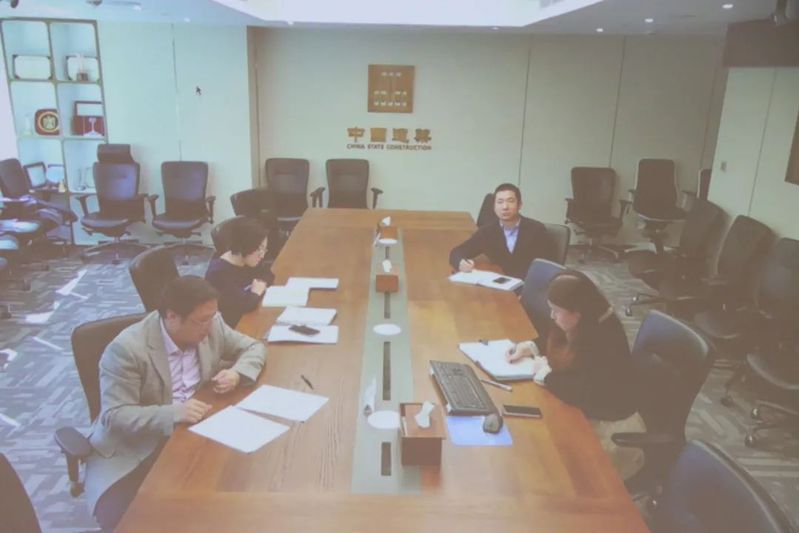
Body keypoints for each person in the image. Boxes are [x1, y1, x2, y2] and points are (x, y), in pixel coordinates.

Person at [84, 276, 267, 530]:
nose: (209, 327)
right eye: (202, 320)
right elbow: (114, 415)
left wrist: (237, 373)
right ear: (171, 316)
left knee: (229, 499)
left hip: (194, 431)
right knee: (142, 522)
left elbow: (254, 347)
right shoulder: (127, 349)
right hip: (135, 448)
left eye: (212, 317)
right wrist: (174, 413)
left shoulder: (212, 324)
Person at [506, 270, 644, 478]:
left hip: (608, 427)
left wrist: (546, 375)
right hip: (585, 409)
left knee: (552, 466)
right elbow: (556, 339)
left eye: (556, 311)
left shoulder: (604, 340)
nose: (552, 316)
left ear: (577, 313)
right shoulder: (583, 322)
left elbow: (583, 391)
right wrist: (530, 347)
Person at [449, 183, 552, 279]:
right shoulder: (487, 232)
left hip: (528, 285)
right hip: (498, 284)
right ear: (494, 207)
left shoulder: (537, 230)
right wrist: (460, 263)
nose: (505, 207)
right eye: (500, 202)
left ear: (520, 205)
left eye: (510, 201)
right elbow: (457, 252)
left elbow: (548, 268)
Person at [205, 217, 274, 327]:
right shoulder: (218, 273)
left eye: (264, 249)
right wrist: (256, 292)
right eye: (259, 249)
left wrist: (259, 286)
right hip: (231, 325)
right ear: (245, 246)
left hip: (249, 314)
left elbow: (268, 274)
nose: (262, 255)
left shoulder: (248, 259)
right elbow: (242, 306)